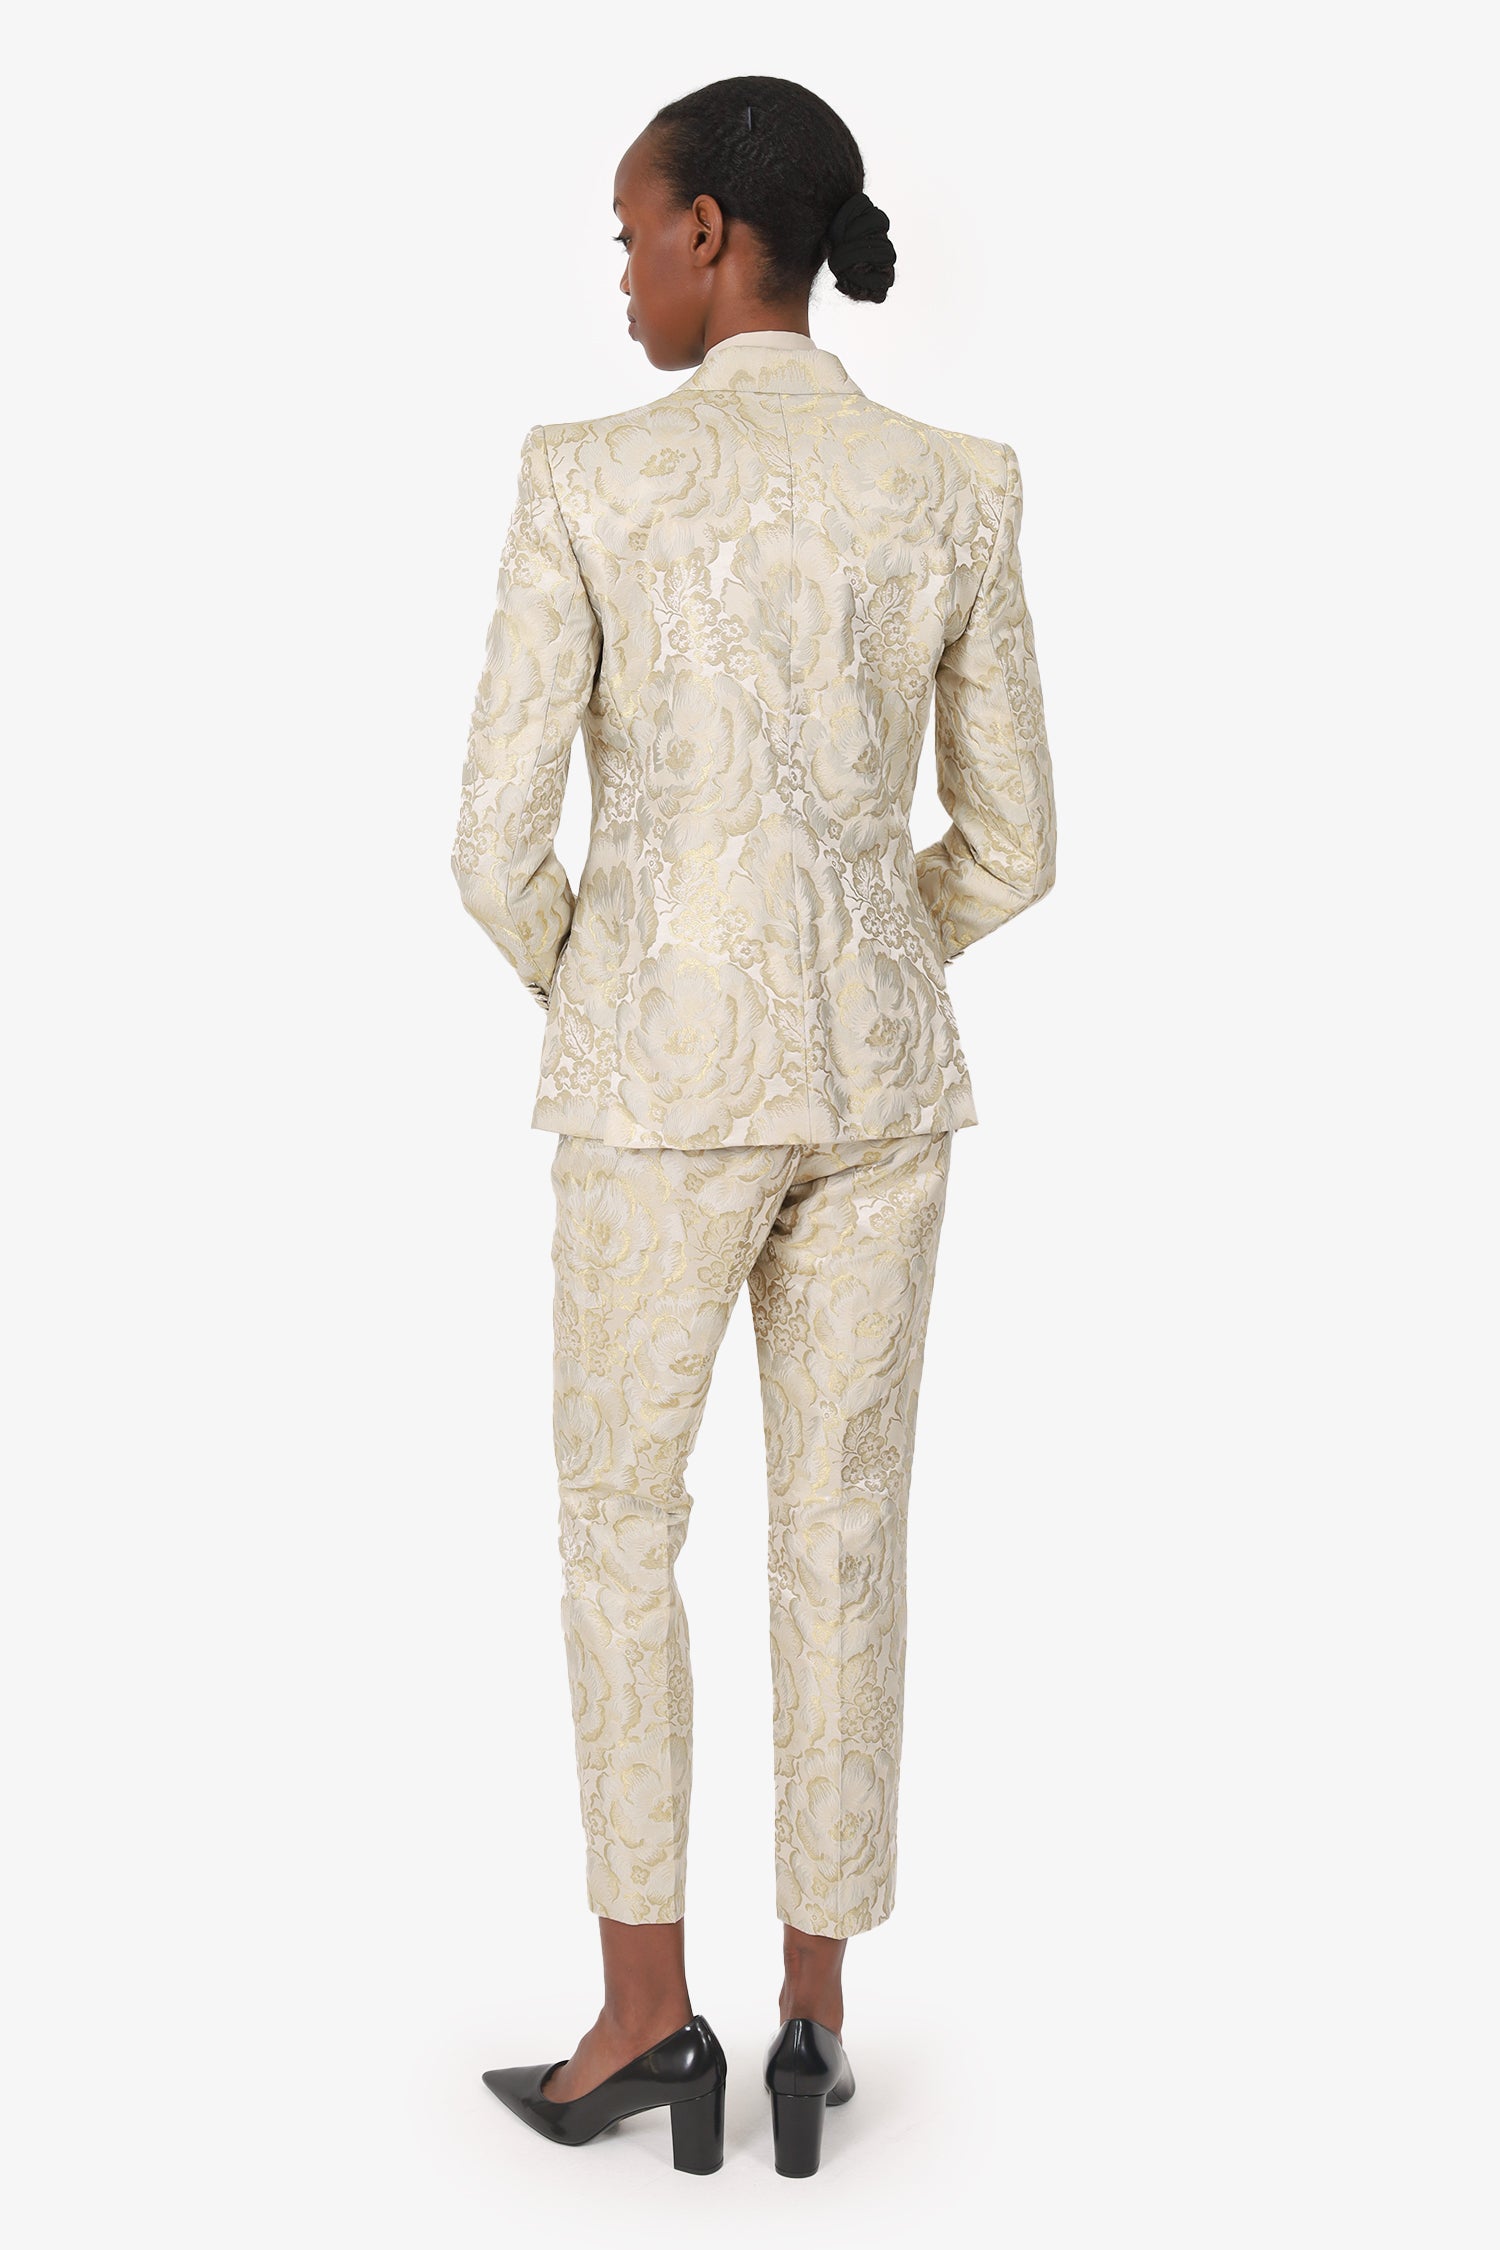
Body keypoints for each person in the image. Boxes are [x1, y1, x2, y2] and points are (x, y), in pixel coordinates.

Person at [452, 73, 1057, 2177]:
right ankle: (813, 2023)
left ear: (711, 232)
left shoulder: (588, 477)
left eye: (631, 233)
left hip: (656, 1091)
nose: (622, 272)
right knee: (844, 1531)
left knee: (626, 1529)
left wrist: (624, 988)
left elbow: (491, 847)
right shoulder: (955, 486)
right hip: (883, 1087)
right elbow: (1017, 847)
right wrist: (860, 958)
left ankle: (647, 2017)